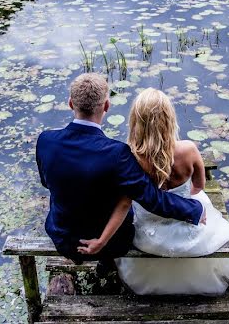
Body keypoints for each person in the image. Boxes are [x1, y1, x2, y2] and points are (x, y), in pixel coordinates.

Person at [36, 74, 204, 276]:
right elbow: (152, 199)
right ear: (106, 106)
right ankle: (107, 261)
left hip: (63, 238)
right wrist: (194, 209)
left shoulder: (46, 141)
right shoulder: (118, 154)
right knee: (125, 203)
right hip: (111, 243)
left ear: (71, 104)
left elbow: (46, 183)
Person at [82, 88, 229, 296]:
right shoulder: (188, 150)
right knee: (204, 205)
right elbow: (199, 186)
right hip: (190, 231)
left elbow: (124, 202)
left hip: (150, 237)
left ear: (135, 121)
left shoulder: (130, 156)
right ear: (169, 119)